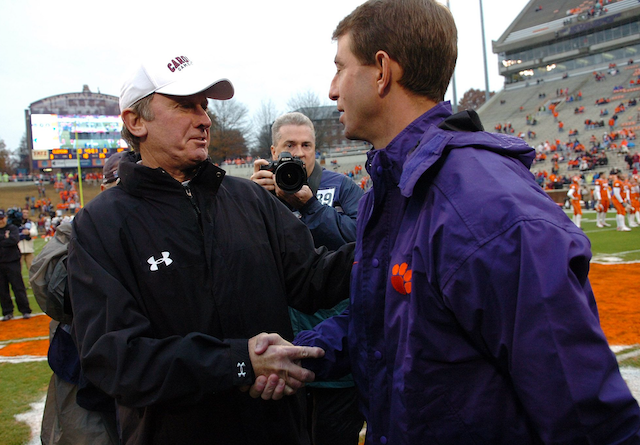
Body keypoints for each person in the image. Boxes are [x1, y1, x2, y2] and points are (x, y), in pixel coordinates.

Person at [293, 0, 640, 443]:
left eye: (340, 68)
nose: (331, 90)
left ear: (382, 71)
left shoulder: (484, 204)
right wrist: (304, 352)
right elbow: (391, 324)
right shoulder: (395, 186)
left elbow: (585, 415)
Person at [67, 52, 354, 445]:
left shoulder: (249, 199)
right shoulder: (101, 225)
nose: (204, 119)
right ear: (135, 121)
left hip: (277, 430)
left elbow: (313, 279)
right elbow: (116, 359)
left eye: (204, 106)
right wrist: (238, 363)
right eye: (185, 106)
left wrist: (382, 244)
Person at [251, 112, 364, 445]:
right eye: (290, 145)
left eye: (306, 145)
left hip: (337, 351)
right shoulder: (257, 194)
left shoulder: (341, 187)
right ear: (274, 151)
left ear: (316, 148)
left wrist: (312, 206)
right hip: (281, 348)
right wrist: (255, 200)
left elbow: (363, 240)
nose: (299, 153)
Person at [37, 153, 128, 445]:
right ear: (104, 189)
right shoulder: (79, 226)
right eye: (120, 184)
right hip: (86, 381)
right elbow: (48, 289)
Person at [0, 208, 32, 321]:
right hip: (0, 263)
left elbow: (14, 240)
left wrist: (4, 240)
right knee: (2, 289)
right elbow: (9, 240)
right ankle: (7, 312)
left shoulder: (12, 228)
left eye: (2, 218)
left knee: (18, 287)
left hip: (13, 262)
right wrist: (5, 238)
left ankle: (25, 310)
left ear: (5, 218)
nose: (1, 221)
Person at [18, 211, 38, 281]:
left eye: (27, 213)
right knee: (18, 269)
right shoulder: (16, 223)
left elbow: (35, 232)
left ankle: (32, 283)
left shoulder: (30, 223)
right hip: (19, 250)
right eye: (24, 213)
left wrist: (29, 232)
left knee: (31, 268)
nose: (25, 214)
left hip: (29, 249)